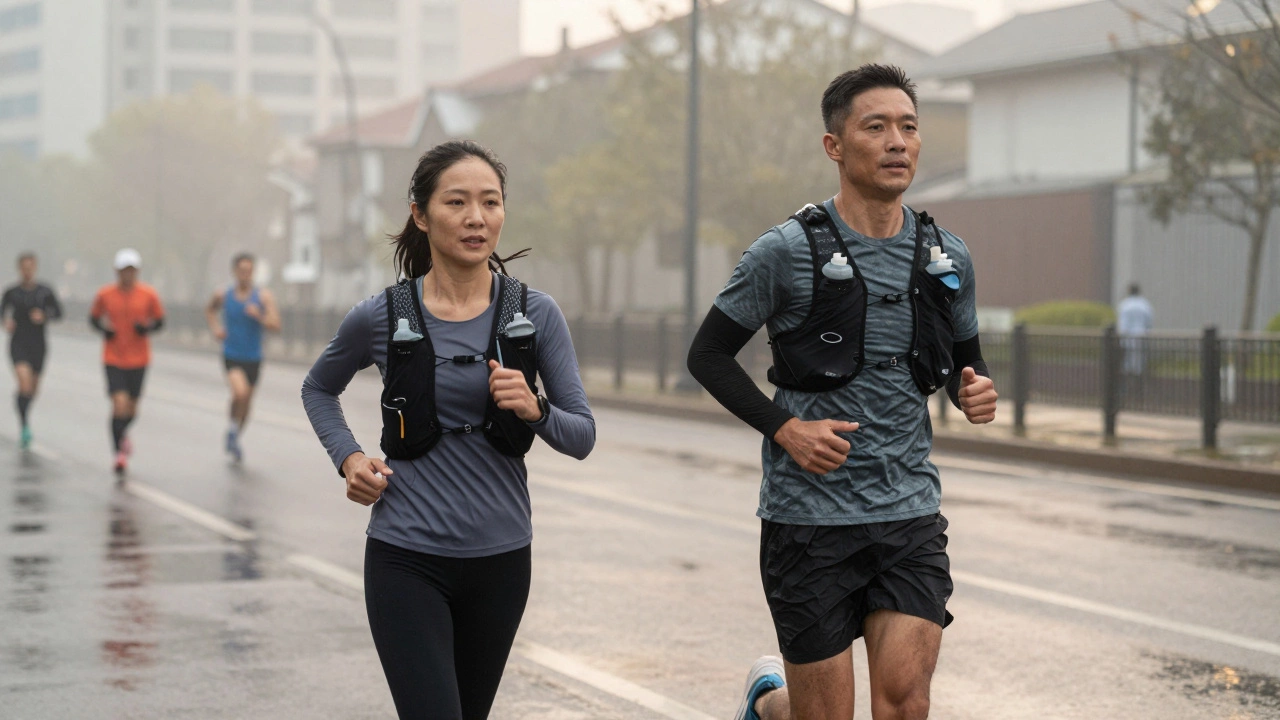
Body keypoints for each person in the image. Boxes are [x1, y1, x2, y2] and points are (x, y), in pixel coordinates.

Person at [687, 64, 998, 720]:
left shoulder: (947, 256)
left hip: (907, 511)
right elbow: (707, 355)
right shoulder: (784, 252)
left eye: (908, 128)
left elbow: (969, 363)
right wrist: (785, 428)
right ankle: (769, 704)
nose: (897, 142)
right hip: (808, 522)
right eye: (876, 127)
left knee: (905, 703)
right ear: (835, 146)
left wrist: (976, 391)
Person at [301, 140, 595, 720]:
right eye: (457, 202)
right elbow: (318, 388)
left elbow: (581, 435)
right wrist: (350, 458)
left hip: (502, 560)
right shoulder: (381, 315)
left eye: (490, 202)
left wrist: (532, 408)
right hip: (405, 556)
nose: (476, 218)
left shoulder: (536, 314)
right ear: (420, 214)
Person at [90, 249, 165, 476]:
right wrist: (105, 330)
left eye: (132, 270)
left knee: (132, 409)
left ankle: (122, 434)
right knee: (119, 404)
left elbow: (160, 321)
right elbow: (93, 318)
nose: (128, 275)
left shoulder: (148, 294)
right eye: (124, 271)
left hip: (139, 358)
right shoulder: (105, 294)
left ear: (137, 272)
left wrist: (147, 328)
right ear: (117, 271)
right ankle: (118, 452)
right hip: (113, 357)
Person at [205, 253, 281, 462]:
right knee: (239, 393)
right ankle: (231, 427)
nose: (245, 274)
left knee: (247, 403)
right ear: (235, 271)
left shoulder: (263, 297)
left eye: (249, 270)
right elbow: (210, 310)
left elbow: (276, 324)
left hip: (254, 356)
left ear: (253, 272)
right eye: (242, 270)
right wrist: (216, 329)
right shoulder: (223, 294)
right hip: (231, 354)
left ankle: (235, 436)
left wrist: (260, 316)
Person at [1, 252, 62, 448]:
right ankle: (24, 424)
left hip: (38, 344)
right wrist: (6, 322)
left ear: (35, 268)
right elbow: (2, 312)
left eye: (30, 267)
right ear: (20, 269)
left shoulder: (44, 291)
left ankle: (22, 406)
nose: (27, 271)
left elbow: (58, 312)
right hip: (18, 343)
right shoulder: (12, 292)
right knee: (25, 384)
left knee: (32, 390)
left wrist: (44, 315)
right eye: (24, 268)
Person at [1117, 282, 1153, 380]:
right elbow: (1149, 322)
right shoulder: (1144, 304)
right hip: (1142, 335)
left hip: (1127, 336)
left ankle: (1129, 379)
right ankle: (1139, 379)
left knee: (1127, 359)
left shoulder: (1125, 305)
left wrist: (1121, 336)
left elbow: (1122, 324)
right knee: (1140, 359)